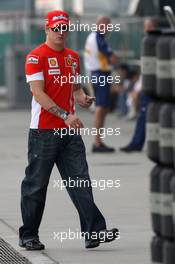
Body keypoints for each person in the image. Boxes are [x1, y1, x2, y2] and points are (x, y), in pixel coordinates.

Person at [19, 10, 119, 251]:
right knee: (36, 184)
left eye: (65, 28)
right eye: (56, 28)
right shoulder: (35, 57)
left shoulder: (72, 57)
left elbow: (74, 88)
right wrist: (65, 115)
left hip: (69, 133)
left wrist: (82, 98)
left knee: (80, 182)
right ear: (47, 29)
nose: (61, 33)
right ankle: (28, 235)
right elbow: (38, 93)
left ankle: (94, 232)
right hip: (44, 131)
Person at [120, 17, 159, 153]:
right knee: (144, 115)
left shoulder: (159, 44)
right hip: (148, 86)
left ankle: (139, 144)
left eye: (149, 27)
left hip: (156, 87)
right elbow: (145, 70)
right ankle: (136, 144)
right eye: (145, 27)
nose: (146, 30)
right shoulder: (147, 44)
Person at [84, 16, 118, 153]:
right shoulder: (98, 38)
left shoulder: (92, 37)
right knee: (101, 108)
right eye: (108, 25)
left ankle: (98, 141)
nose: (109, 28)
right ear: (101, 24)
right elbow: (112, 58)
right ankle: (97, 142)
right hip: (100, 74)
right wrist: (113, 59)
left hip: (96, 74)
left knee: (102, 108)